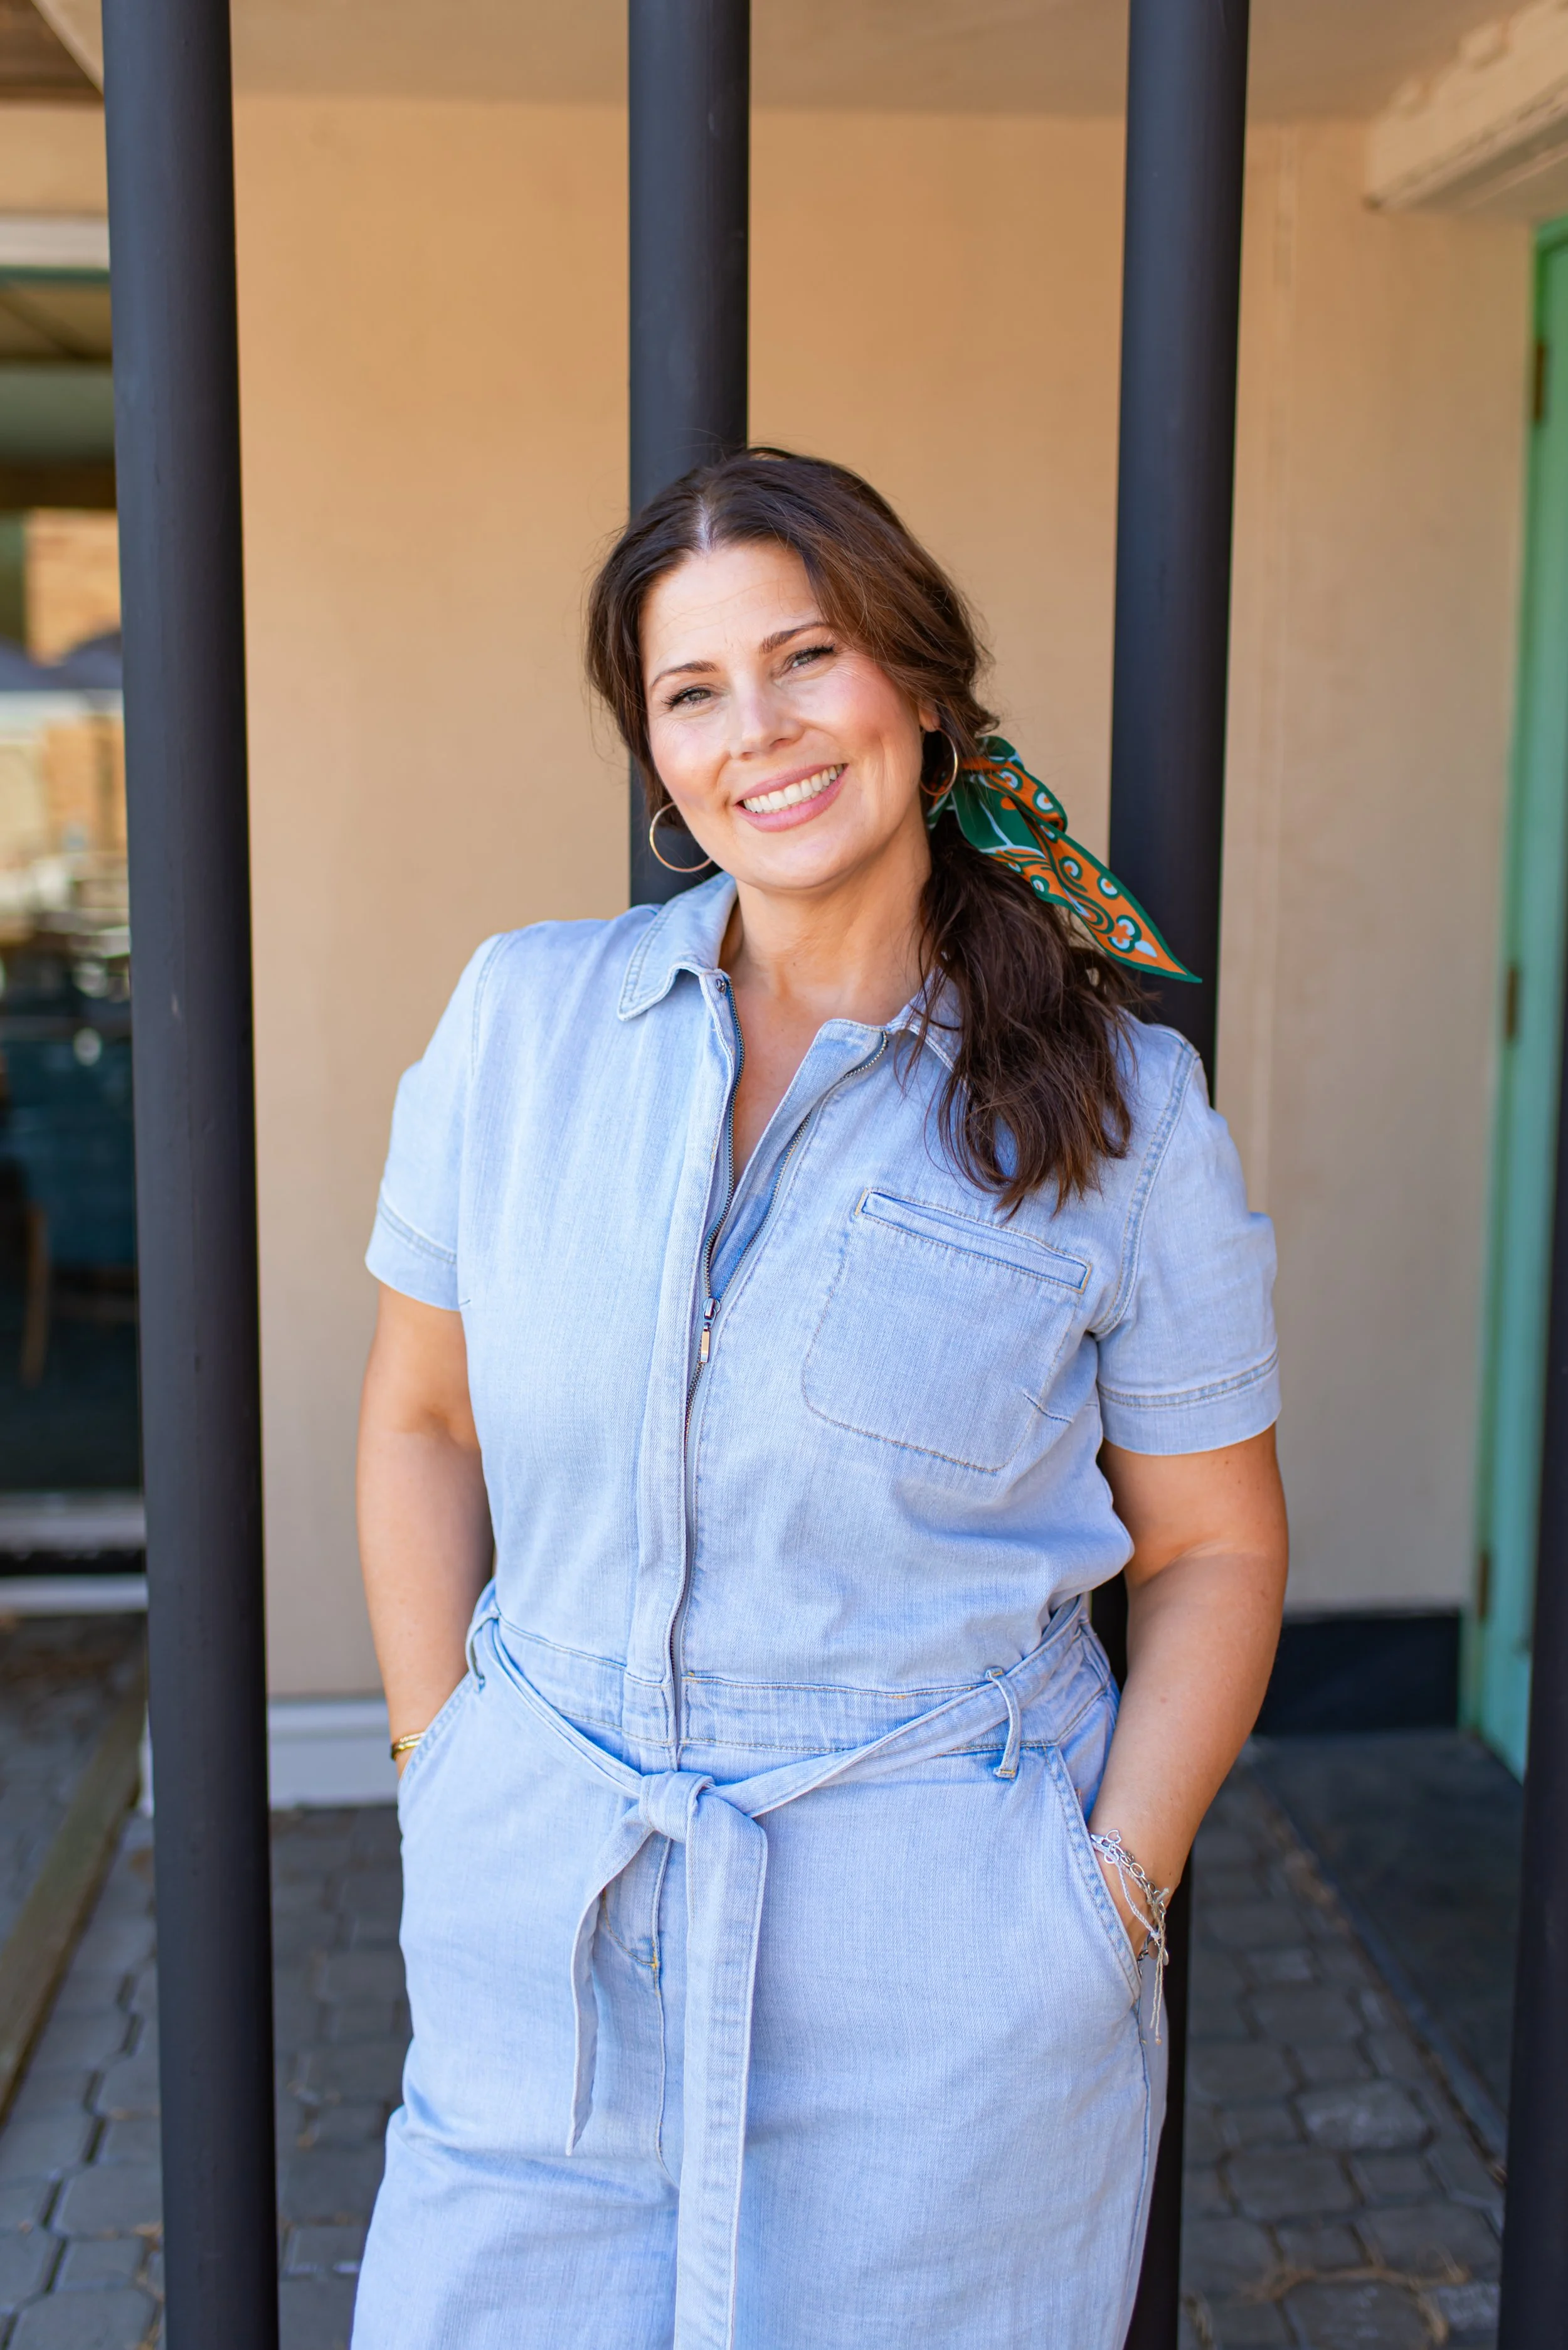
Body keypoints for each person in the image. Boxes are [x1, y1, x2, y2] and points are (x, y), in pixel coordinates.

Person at [351, 449, 1288, 2350]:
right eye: (692, 692)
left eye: (808, 660)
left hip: (944, 1998)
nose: (756, 732)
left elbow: (1212, 1545)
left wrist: (1105, 1900)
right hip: (550, 1941)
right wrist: (435, 1765)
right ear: (656, 758)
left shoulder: (1118, 1110)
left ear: (922, 695)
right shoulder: (518, 1026)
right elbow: (420, 1422)